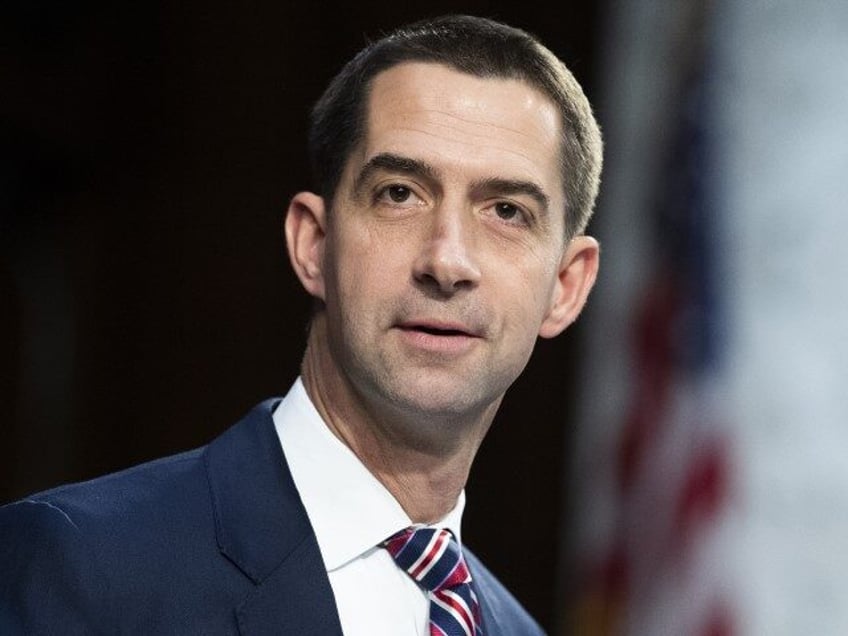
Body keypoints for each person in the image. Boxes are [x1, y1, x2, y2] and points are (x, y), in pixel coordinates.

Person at [0, 14, 602, 635]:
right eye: (400, 193)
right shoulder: (78, 565)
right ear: (314, 244)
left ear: (566, 285)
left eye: (506, 210)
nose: (447, 261)